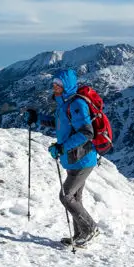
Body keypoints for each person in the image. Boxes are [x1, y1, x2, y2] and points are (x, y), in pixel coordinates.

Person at [23, 69, 99, 247]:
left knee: (66, 196)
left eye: (59, 84)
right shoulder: (64, 104)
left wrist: (62, 147)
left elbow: (87, 132)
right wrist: (37, 118)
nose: (54, 86)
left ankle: (90, 229)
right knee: (75, 198)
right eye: (54, 83)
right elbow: (59, 123)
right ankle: (80, 235)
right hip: (73, 159)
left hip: (83, 159)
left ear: (67, 86)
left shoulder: (76, 104)